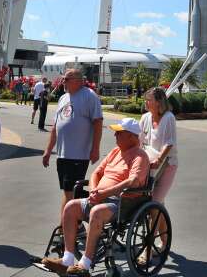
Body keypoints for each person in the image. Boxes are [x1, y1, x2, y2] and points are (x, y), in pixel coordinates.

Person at [41, 118, 150, 276]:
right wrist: (93, 190)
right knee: (70, 207)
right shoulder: (115, 152)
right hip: (100, 197)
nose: (115, 135)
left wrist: (104, 193)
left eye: (119, 133)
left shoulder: (140, 156)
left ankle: (85, 264)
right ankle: (67, 260)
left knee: (96, 212)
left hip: (122, 202)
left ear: (132, 137)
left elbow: (132, 181)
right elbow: (97, 173)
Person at [43, 68, 103, 215]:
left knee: (70, 193)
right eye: (63, 78)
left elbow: (98, 123)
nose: (63, 81)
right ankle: (74, 224)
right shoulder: (63, 98)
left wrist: (95, 148)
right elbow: (56, 127)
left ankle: (67, 226)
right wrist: (48, 150)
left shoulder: (89, 96)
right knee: (68, 191)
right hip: (62, 154)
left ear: (78, 81)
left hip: (78, 154)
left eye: (67, 79)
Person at [139, 87, 177, 202]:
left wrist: (159, 160)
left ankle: (157, 218)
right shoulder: (145, 118)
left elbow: (169, 142)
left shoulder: (168, 118)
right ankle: (160, 219)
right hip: (149, 165)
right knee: (155, 204)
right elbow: (137, 138)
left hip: (166, 164)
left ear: (158, 102)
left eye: (149, 100)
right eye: (145, 99)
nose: (146, 102)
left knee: (155, 201)